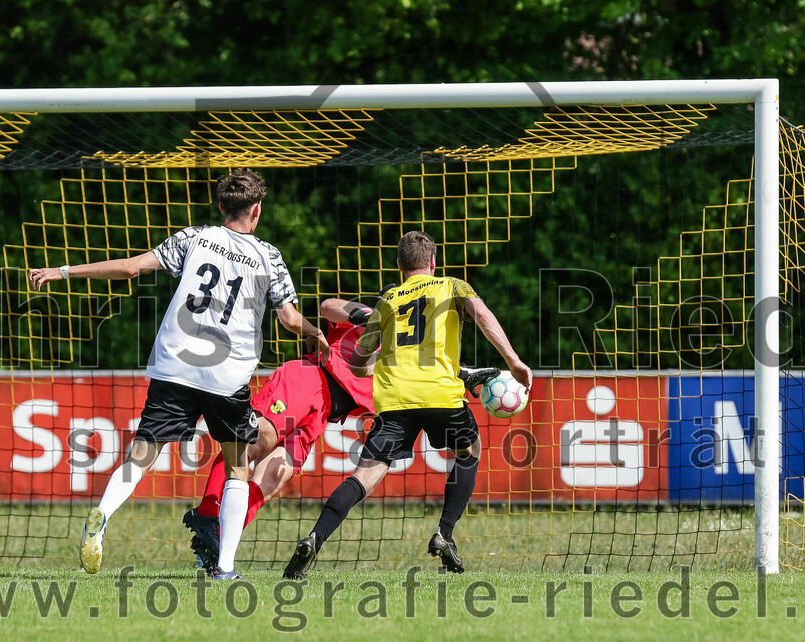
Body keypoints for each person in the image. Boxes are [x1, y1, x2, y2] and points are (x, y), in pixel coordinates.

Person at [28, 168, 329, 579]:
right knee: (238, 467)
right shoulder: (267, 256)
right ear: (256, 210)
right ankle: (224, 568)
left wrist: (63, 272)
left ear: (222, 206)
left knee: (142, 454)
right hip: (226, 375)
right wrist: (315, 334)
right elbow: (289, 318)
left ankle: (102, 513)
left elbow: (131, 268)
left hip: (176, 365)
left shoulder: (194, 238)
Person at [182, 297, 500, 572]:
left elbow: (434, 379)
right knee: (252, 443)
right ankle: (208, 517)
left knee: (274, 477)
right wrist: (364, 317)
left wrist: (466, 377)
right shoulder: (370, 319)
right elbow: (327, 307)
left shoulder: (405, 362)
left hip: (322, 414)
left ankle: (218, 541)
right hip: (308, 379)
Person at [283, 231, 532, 578]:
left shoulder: (388, 299)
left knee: (364, 476)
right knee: (469, 450)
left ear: (400, 266)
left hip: (394, 401)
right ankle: (444, 533)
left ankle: (314, 537)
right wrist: (514, 360)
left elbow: (358, 360)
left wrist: (375, 359)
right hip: (441, 395)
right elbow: (483, 315)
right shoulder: (452, 285)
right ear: (433, 262)